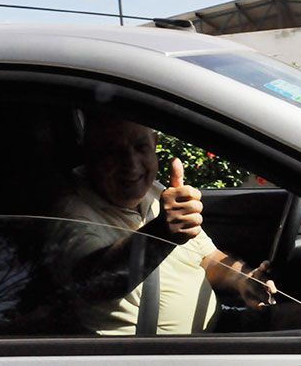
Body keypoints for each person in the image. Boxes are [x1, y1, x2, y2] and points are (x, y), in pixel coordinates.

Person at [49, 111, 276, 336]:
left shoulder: (155, 191)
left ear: (154, 144)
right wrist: (161, 234)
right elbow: (97, 283)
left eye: (140, 147)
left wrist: (244, 279)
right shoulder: (69, 213)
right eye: (112, 152)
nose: (131, 165)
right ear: (89, 155)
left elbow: (207, 258)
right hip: (157, 352)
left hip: (215, 327)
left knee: (295, 318)